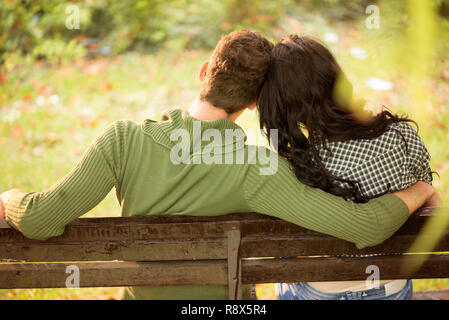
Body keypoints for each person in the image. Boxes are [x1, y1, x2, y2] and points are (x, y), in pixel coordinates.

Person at [0, 30, 435, 300]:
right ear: (252, 103)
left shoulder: (122, 140)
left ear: (204, 69)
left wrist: (10, 199)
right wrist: (421, 190)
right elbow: (364, 227)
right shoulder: (258, 169)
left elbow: (40, 220)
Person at [257, 34, 440, 300]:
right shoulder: (401, 138)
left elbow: (288, 250)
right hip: (390, 289)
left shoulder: (293, 168)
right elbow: (426, 201)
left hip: (318, 292)